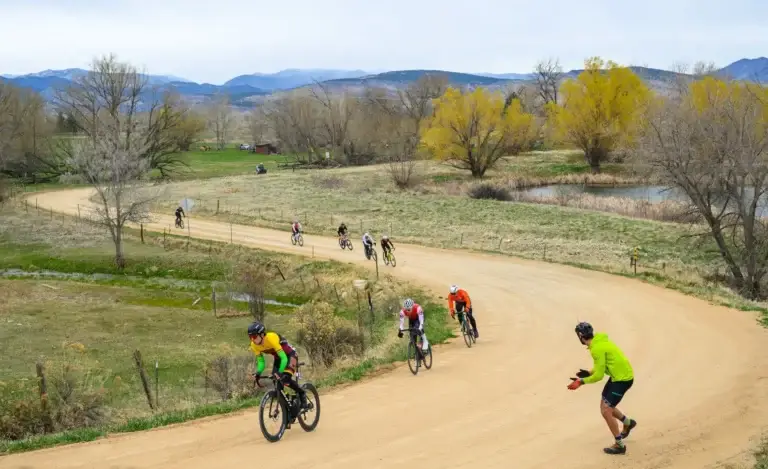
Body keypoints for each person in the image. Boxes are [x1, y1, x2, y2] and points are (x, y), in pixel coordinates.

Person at [567, 322, 637, 455]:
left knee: (606, 410)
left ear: (580, 336)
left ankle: (619, 445)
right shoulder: (600, 342)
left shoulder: (596, 349)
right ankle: (628, 423)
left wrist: (581, 382)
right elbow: (602, 366)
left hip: (622, 380)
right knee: (606, 406)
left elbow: (599, 376)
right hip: (618, 376)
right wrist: (589, 372)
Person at [248, 321, 308, 409]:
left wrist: (280, 372)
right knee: (276, 381)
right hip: (278, 358)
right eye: (250, 337)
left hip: (290, 355)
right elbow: (261, 362)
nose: (252, 340)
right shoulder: (254, 345)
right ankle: (288, 403)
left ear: (261, 334)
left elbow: (284, 358)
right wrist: (258, 372)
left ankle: (301, 393)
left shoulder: (271, 338)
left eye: (254, 336)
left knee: (285, 378)